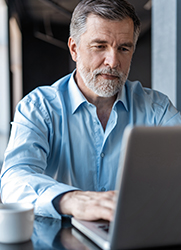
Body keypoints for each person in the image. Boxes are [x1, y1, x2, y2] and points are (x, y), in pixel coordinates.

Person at [1, 0, 181, 221]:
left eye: (123, 48)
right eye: (99, 46)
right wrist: (71, 199)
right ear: (74, 49)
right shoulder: (39, 107)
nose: (113, 61)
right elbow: (13, 181)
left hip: (136, 233)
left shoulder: (157, 109)